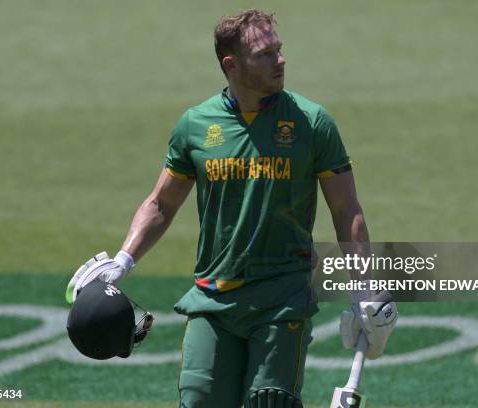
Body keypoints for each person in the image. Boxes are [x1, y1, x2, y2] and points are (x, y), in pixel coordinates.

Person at [66, 9, 397, 408]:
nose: (280, 59)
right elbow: (161, 204)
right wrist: (123, 260)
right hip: (212, 299)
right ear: (232, 64)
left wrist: (363, 286)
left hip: (282, 297)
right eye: (265, 53)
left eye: (279, 49)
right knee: (199, 402)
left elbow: (346, 210)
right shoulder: (196, 125)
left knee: (269, 401)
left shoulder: (312, 123)